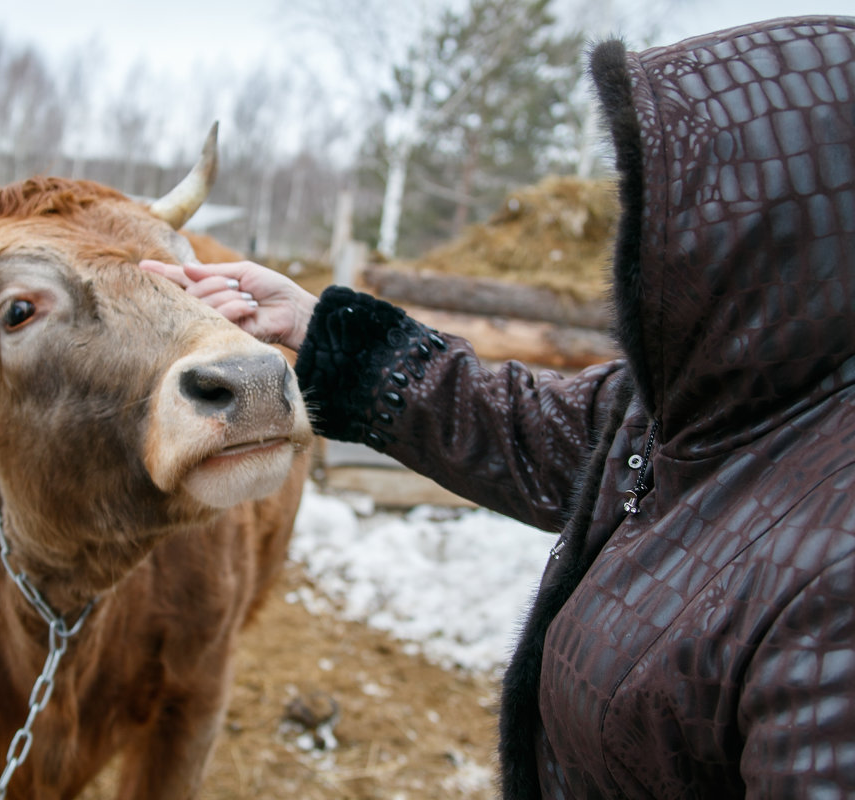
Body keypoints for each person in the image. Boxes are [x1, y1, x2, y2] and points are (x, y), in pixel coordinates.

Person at [141, 14, 855, 799]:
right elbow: (518, 427)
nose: (637, 237)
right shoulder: (705, 407)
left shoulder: (837, 570)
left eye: (660, 202)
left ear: (766, 232)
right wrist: (317, 327)